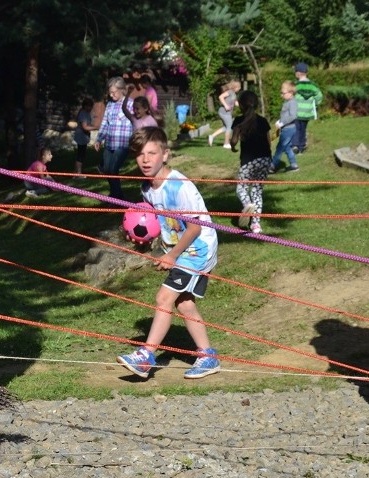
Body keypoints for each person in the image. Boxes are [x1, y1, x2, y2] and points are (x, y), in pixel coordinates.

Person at [116, 127, 220, 380]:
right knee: (184, 304)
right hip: (182, 248)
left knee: (164, 298)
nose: (146, 159)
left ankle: (146, 356)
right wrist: (143, 241)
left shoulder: (178, 186)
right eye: (140, 154)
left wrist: (173, 255)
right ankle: (208, 357)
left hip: (198, 248)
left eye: (152, 153)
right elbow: (156, 223)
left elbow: (195, 226)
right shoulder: (147, 188)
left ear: (166, 154)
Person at [230, 90, 271, 234]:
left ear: (241, 105)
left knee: (241, 188)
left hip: (249, 161)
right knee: (257, 191)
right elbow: (268, 141)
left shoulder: (239, 121)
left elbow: (234, 140)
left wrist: (233, 145)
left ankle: (248, 206)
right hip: (265, 159)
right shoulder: (263, 121)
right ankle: (256, 225)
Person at [93, 76, 134, 201]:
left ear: (122, 90)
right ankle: (115, 195)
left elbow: (136, 122)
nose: (111, 95)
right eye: (109, 92)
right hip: (109, 144)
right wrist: (99, 139)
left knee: (113, 169)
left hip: (122, 145)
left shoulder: (131, 104)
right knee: (107, 170)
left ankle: (117, 199)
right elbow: (105, 122)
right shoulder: (110, 104)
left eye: (114, 92)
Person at [292, 62, 323, 154]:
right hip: (307, 112)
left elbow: (291, 96)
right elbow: (319, 96)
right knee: (303, 129)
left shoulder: (296, 85)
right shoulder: (313, 86)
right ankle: (301, 147)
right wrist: (315, 104)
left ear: (298, 73)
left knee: (296, 128)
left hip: (297, 112)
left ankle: (295, 145)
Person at [270, 81, 300, 173]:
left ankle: (272, 166)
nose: (281, 95)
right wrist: (280, 121)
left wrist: (282, 122)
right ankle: (294, 165)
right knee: (287, 147)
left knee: (280, 147)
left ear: (290, 93)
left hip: (289, 129)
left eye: (283, 93)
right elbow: (286, 115)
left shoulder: (292, 102)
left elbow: (293, 116)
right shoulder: (288, 102)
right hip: (286, 128)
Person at [208, 80, 240, 149]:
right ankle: (226, 144)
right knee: (230, 127)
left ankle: (212, 136)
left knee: (226, 127)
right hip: (224, 112)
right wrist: (225, 105)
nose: (239, 89)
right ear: (235, 87)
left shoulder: (234, 94)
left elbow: (236, 103)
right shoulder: (230, 92)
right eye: (239, 87)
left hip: (226, 113)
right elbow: (220, 97)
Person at [72, 97, 95, 177]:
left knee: (81, 154)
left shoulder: (86, 113)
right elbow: (84, 127)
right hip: (81, 137)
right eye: (88, 106)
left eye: (90, 106)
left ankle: (75, 174)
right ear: (84, 106)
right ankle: (79, 173)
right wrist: (96, 127)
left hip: (84, 137)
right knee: (81, 155)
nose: (89, 108)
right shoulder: (83, 114)